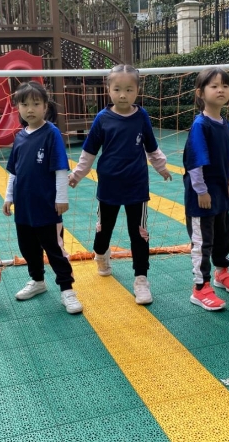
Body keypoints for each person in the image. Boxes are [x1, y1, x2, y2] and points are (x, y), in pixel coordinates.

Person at [69, 64, 172, 305]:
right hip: (109, 186)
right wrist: (77, 174)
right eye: (117, 89)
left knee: (139, 234)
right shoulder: (103, 118)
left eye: (129, 89)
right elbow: (89, 151)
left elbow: (151, 146)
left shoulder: (141, 116)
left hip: (137, 186)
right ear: (108, 90)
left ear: (137, 90)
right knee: (104, 229)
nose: (123, 95)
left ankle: (141, 279)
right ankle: (101, 254)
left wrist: (162, 167)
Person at [3, 81, 83, 314]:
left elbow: (60, 169)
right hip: (24, 208)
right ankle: (37, 280)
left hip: (47, 207)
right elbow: (14, 172)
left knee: (54, 249)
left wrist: (61, 198)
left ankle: (67, 290)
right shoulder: (20, 137)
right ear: (18, 108)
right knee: (28, 248)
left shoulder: (52, 134)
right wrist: (9, 196)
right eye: (24, 104)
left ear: (45, 106)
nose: (30, 109)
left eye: (36, 104)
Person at [183, 67, 229, 311]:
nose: (221, 90)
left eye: (225, 86)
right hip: (202, 197)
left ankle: (221, 272)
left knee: (223, 235)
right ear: (200, 93)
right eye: (214, 86)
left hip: (219, 193)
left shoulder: (223, 123)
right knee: (202, 242)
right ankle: (200, 288)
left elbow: (227, 156)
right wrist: (201, 191)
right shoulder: (201, 125)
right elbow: (195, 162)